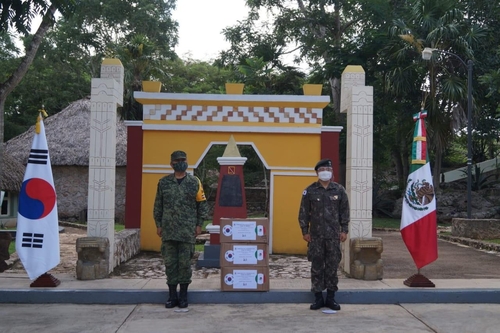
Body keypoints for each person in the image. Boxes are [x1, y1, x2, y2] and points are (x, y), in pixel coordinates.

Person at [153, 150, 209, 309]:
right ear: (171, 164)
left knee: (184, 264)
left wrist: (199, 224)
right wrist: (158, 224)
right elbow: (158, 206)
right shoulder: (163, 183)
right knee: (170, 264)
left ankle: (183, 296)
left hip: (187, 231)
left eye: (183, 159)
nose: (180, 162)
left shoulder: (194, 182)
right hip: (168, 231)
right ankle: (172, 297)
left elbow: (202, 206)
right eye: (177, 160)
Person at [298, 158, 350, 311]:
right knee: (317, 267)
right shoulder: (310, 191)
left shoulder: (339, 190)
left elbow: (344, 211)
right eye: (321, 170)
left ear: (331, 171)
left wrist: (344, 230)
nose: (324, 172)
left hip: (334, 236)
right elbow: (303, 212)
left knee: (332, 267)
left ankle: (331, 299)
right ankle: (318, 298)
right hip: (316, 237)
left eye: (326, 169)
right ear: (317, 173)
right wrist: (304, 231)